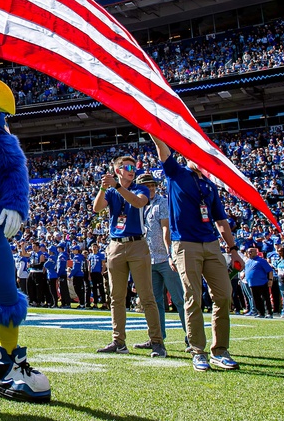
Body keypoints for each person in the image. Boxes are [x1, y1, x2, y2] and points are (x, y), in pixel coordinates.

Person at [150, 134, 243, 372]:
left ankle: (220, 350)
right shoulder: (176, 173)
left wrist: (233, 250)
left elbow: (220, 220)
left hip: (211, 243)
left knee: (223, 295)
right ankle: (198, 351)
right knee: (193, 297)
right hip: (185, 244)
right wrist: (152, 127)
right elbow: (162, 146)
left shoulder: (210, 185)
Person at [92, 155, 165, 357]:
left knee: (146, 296)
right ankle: (118, 341)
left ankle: (157, 341)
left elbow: (139, 203)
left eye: (133, 167)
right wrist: (103, 187)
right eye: (126, 167)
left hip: (137, 244)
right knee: (116, 297)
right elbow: (96, 208)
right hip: (115, 245)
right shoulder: (113, 191)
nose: (132, 170)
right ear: (117, 170)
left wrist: (116, 187)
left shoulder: (139, 188)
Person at [136, 173, 187, 351]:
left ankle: (190, 337)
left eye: (152, 185)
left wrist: (170, 252)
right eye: (147, 186)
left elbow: (166, 228)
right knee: (155, 302)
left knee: (179, 299)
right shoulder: (138, 204)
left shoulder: (162, 202)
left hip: (164, 258)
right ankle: (158, 338)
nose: (151, 189)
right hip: (147, 259)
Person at [244, 248, 275, 319]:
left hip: (262, 282)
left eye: (251, 252)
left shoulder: (261, 261)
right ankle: (260, 312)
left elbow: (270, 270)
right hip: (252, 283)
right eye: (248, 252)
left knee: (265, 298)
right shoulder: (247, 261)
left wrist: (270, 280)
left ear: (256, 252)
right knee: (256, 299)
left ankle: (269, 313)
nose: (249, 253)